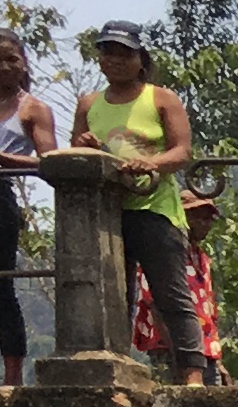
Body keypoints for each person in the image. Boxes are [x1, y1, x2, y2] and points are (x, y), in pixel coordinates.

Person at [75, 21, 211, 382]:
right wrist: (86, 146)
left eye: (125, 53)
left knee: (171, 293)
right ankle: (116, 365)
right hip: (105, 213)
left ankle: (193, 374)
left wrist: (150, 162)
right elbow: (76, 153)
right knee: (114, 294)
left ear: (140, 59)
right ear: (100, 60)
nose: (116, 60)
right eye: (108, 52)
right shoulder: (89, 104)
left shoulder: (161, 98)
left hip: (154, 208)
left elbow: (182, 151)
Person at [0, 24, 65, 385]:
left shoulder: (33, 109)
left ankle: (12, 374)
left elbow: (50, 162)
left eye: (11, 58)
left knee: (0, 285)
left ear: (23, 61)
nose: (4, 66)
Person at [131, 180, 225, 375]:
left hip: (204, 351)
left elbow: (209, 314)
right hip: (170, 348)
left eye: (208, 219)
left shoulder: (202, 259)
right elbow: (155, 305)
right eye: (198, 217)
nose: (205, 224)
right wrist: (178, 355)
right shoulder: (162, 253)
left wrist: (218, 361)